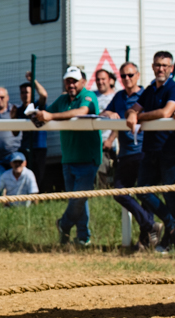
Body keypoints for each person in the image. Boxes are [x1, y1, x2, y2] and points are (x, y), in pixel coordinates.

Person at [124, 52, 175, 253]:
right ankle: (172, 226)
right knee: (143, 189)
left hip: (170, 149)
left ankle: (171, 239)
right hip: (150, 149)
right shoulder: (150, 89)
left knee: (170, 194)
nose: (161, 69)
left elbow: (165, 112)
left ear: (170, 68)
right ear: (152, 67)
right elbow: (132, 109)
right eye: (157, 65)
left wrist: (139, 116)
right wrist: (133, 114)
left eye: (165, 65)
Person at [31, 66, 100, 245]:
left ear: (83, 82)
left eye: (74, 81)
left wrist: (50, 115)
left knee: (78, 199)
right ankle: (83, 237)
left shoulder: (88, 96)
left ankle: (64, 224)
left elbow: (81, 112)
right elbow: (47, 114)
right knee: (78, 200)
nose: (71, 84)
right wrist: (37, 115)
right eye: (68, 81)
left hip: (88, 157)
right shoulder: (62, 99)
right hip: (68, 158)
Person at [103, 63, 158, 248]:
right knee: (119, 191)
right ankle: (150, 226)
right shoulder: (118, 96)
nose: (127, 79)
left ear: (138, 75)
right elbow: (104, 112)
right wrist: (110, 113)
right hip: (125, 153)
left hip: (144, 151)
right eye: (123, 76)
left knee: (144, 194)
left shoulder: (146, 94)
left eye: (130, 75)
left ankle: (146, 240)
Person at [17, 74, 49, 189]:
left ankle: (38, 200)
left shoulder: (37, 106)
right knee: (26, 176)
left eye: (27, 92)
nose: (25, 95)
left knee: (39, 176)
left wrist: (33, 81)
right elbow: (15, 132)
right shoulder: (19, 110)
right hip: (25, 147)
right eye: (22, 92)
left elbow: (44, 95)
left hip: (39, 147)